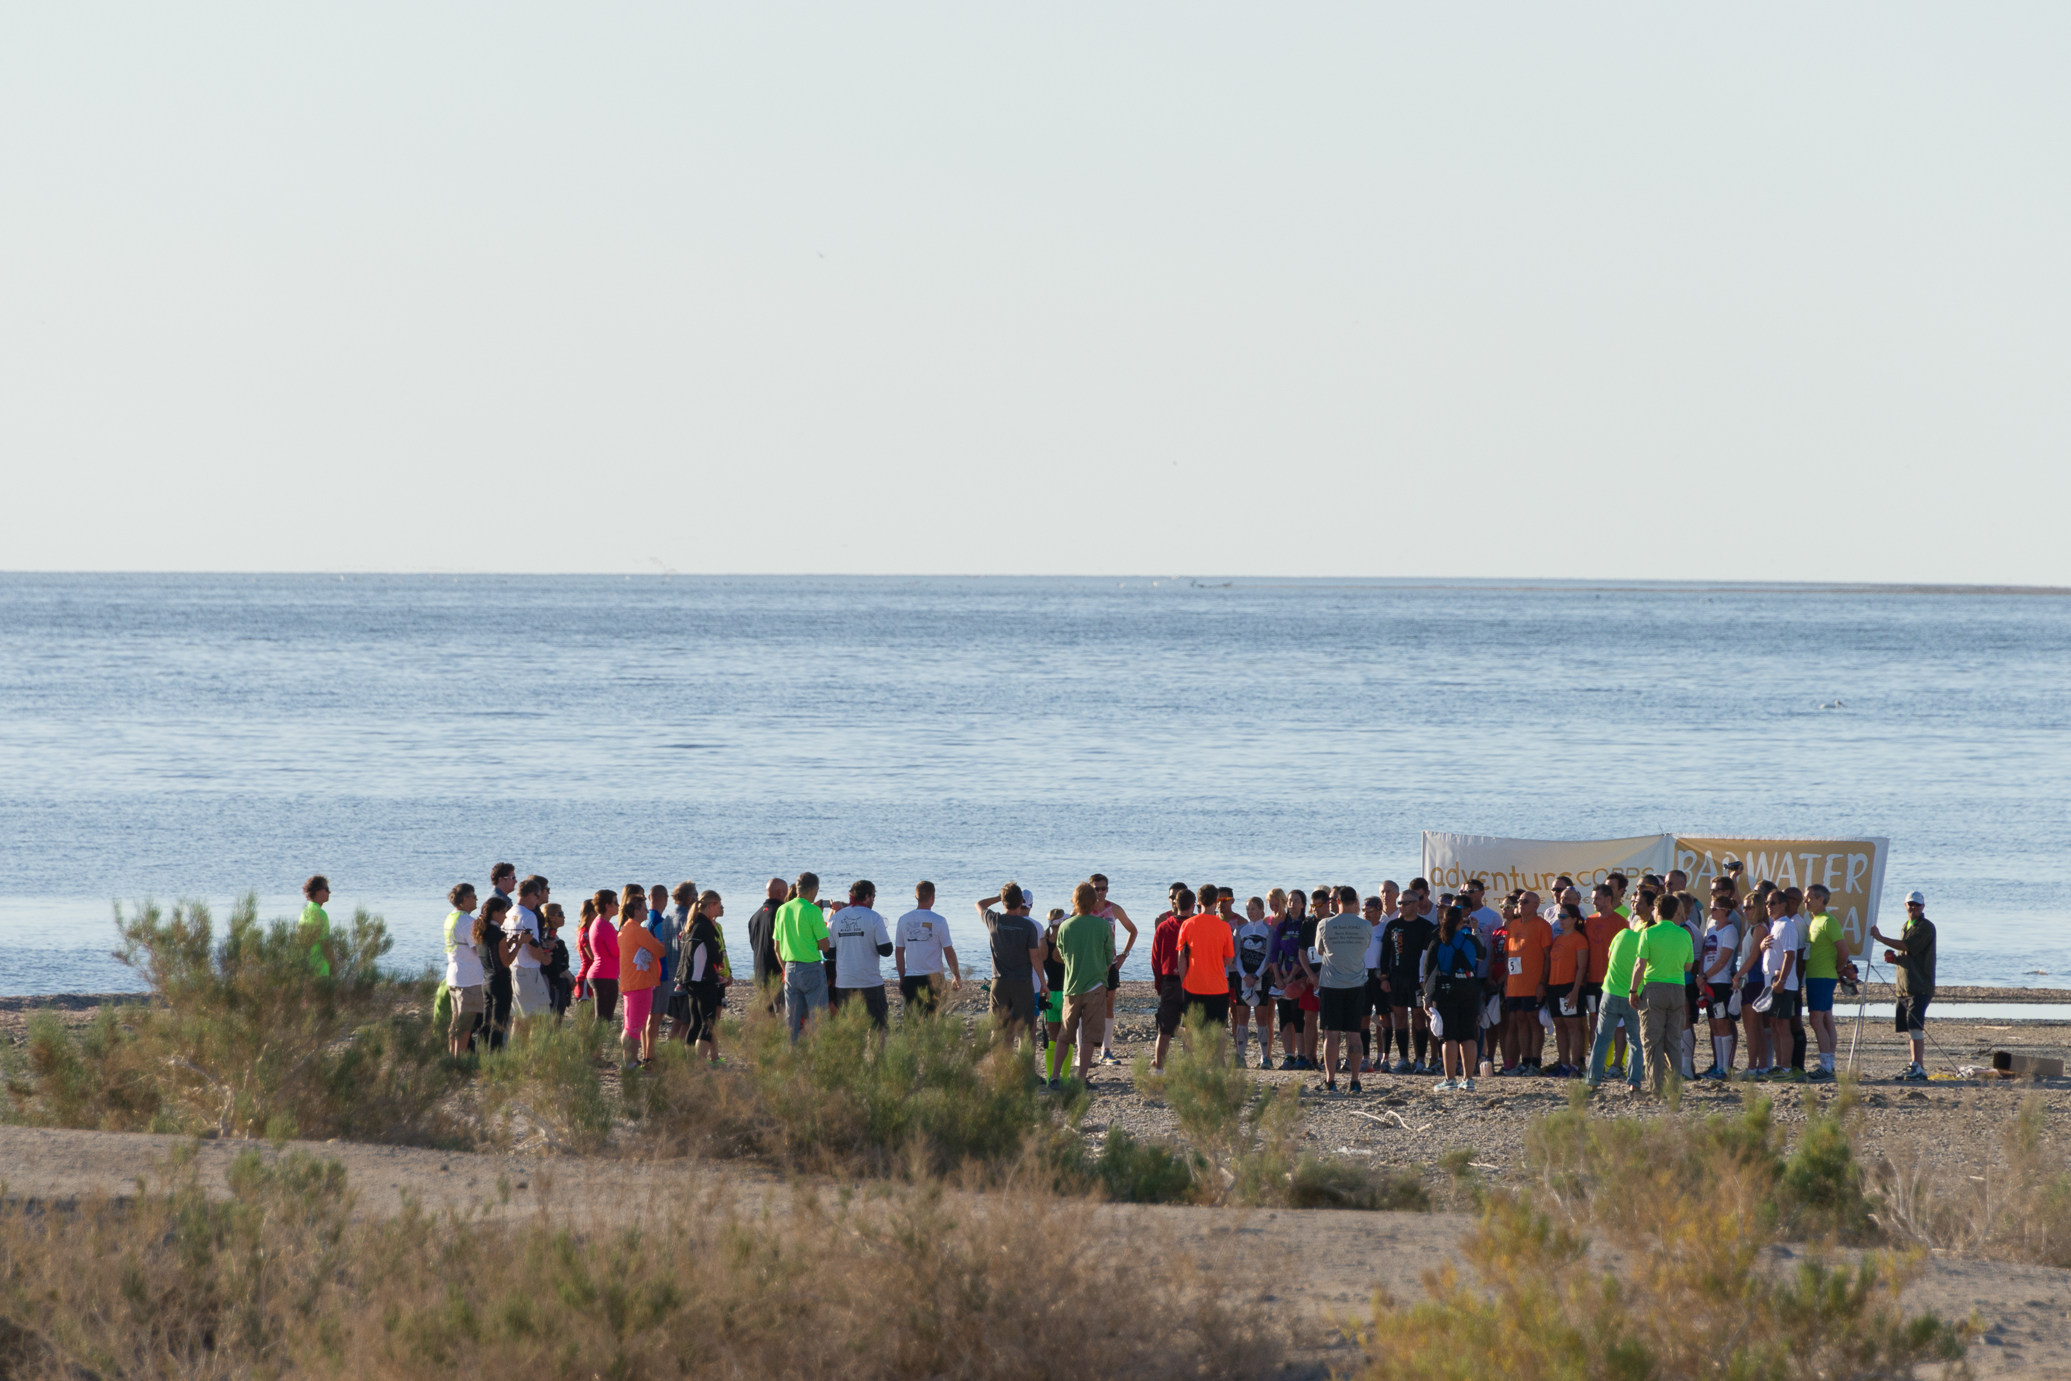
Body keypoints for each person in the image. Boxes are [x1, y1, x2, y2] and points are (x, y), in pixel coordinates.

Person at [1629, 895, 1695, 1097]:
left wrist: (1633, 990)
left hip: (1654, 988)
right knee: (1673, 1040)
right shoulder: (1685, 934)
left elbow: (1640, 965)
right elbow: (1688, 965)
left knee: (1652, 1040)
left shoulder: (1649, 933)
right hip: (1677, 989)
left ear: (1656, 910)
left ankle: (1657, 1088)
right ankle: (1674, 1087)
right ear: (1676, 911)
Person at [1872, 891, 1937, 1081]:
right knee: (1909, 1027)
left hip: (1920, 986)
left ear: (1923, 907)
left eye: (1917, 905)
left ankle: (1919, 1066)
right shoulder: (1905, 926)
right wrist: (1895, 960)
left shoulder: (1925, 927)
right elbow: (1908, 954)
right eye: (1910, 904)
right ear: (1905, 905)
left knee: (1915, 1026)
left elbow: (1907, 946)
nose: (1913, 907)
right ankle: (1914, 1064)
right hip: (1904, 987)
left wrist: (1880, 938)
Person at [1057, 882, 1117, 1087]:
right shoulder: (1102, 926)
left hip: (1071, 985)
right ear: (1093, 902)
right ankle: (1081, 1078)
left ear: (1074, 901)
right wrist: (1100, 971)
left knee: (1065, 1035)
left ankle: (1055, 1077)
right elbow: (1110, 956)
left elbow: (1063, 954)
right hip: (1095, 985)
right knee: (1090, 1036)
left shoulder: (1065, 925)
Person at [1314, 885, 1369, 1095]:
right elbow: (1364, 947)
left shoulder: (1325, 924)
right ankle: (1355, 1081)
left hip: (1332, 984)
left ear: (1337, 902)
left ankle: (1331, 1080)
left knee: (1331, 1034)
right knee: (1354, 1034)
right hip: (1355, 984)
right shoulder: (1365, 925)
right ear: (1355, 902)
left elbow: (1319, 950)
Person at [1586, 909, 1648, 1093]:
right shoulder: (1647, 942)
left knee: (1602, 1038)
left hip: (1610, 992)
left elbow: (1609, 955)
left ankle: (1593, 1080)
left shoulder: (1621, 934)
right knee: (1636, 1040)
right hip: (1634, 995)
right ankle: (1634, 1083)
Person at [976, 884, 1043, 1048]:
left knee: (999, 1030)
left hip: (1000, 982)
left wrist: (999, 898)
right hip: (1023, 983)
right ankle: (1025, 1071)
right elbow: (1035, 957)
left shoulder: (994, 920)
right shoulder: (1029, 926)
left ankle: (1000, 1072)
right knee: (1025, 1032)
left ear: (1003, 902)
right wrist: (1043, 983)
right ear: (1021, 902)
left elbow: (980, 904)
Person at [1175, 882, 1236, 1062]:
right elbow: (1229, 959)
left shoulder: (1187, 924)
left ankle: (1189, 1067)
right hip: (1217, 986)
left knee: (1191, 1030)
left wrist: (1183, 981)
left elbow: (1181, 958)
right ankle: (1218, 1066)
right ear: (1216, 901)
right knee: (1218, 1031)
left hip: (1193, 985)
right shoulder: (1224, 927)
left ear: (1198, 901)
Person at [1427, 905, 1482, 1093]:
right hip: (1470, 990)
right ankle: (1468, 1080)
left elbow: (1430, 973)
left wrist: (1427, 998)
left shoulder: (1438, 942)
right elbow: (1481, 956)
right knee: (1468, 1035)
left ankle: (1449, 1080)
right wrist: (1475, 931)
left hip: (1445, 992)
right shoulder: (1470, 940)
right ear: (1462, 921)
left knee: (1448, 1037)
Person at [774, 873, 833, 1041]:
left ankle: (789, 1058)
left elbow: (776, 947)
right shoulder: (812, 910)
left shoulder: (782, 909)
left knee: (790, 1020)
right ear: (813, 889)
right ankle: (815, 1060)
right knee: (818, 1019)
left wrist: (785, 968)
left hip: (790, 968)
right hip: (811, 967)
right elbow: (825, 945)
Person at [828, 881, 894, 1029]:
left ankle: (852, 1052)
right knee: (878, 1026)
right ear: (867, 896)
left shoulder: (835, 918)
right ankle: (875, 1053)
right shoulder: (874, 917)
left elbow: (829, 952)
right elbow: (887, 950)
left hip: (845, 982)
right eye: (873, 896)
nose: (874, 900)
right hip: (869, 981)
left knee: (849, 1026)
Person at [1384, 888, 1435, 1074]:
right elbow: (1386, 954)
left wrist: (1425, 981)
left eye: (1405, 903)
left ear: (1415, 904)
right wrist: (1384, 977)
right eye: (1400, 903)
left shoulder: (1426, 926)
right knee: (1399, 1018)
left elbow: (1428, 957)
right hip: (1396, 977)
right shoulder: (1393, 926)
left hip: (1417, 979)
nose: (1402, 907)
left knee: (1419, 1017)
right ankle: (1403, 1058)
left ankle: (1420, 1059)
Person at [1499, 889, 1550, 1075]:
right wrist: (1507, 980)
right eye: (1520, 901)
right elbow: (1508, 953)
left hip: (1533, 983)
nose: (1521, 903)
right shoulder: (1513, 926)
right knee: (1519, 1021)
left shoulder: (1542, 925)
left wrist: (1542, 983)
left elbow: (1547, 957)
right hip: (1515, 984)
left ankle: (1535, 1062)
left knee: (1534, 1021)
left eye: (1525, 901)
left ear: (1536, 906)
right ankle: (1525, 1060)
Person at [1090, 874, 1137, 1065]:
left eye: (1103, 888)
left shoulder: (1114, 909)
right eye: (1096, 889)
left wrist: (1124, 954)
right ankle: (1082, 1051)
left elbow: (1133, 930)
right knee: (1087, 1005)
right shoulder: (1083, 909)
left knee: (1108, 1005)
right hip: (1090, 964)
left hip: (1109, 963)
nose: (1100, 892)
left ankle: (1106, 1050)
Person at [895, 882, 960, 1016]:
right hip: (934, 979)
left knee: (913, 1024)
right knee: (936, 1024)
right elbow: (948, 951)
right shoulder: (939, 921)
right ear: (933, 897)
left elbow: (899, 952)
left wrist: (902, 978)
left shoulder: (903, 920)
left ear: (916, 896)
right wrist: (956, 975)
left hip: (911, 979)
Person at [1757, 891, 1803, 1081]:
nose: (1769, 906)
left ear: (1783, 904)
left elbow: (1789, 955)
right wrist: (1761, 946)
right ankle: (1779, 1065)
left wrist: (1782, 981)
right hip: (1772, 983)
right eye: (1767, 903)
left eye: (1773, 903)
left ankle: (1786, 1068)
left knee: (1783, 1025)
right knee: (1774, 1024)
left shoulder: (1787, 926)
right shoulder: (1774, 926)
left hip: (1784, 984)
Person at [617, 894, 665, 1068]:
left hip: (629, 982)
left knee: (629, 1025)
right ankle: (629, 1063)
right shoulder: (638, 931)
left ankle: (627, 1060)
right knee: (635, 1026)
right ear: (637, 911)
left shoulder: (625, 928)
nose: (647, 911)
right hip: (640, 982)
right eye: (644, 908)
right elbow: (659, 951)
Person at [1800, 883, 1842, 1081]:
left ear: (1821, 899)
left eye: (1809, 897)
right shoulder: (1814, 920)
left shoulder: (1828, 921)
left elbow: (1843, 950)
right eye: (1805, 897)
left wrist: (1839, 969)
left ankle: (1826, 1066)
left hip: (1823, 977)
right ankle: (1829, 1064)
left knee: (1816, 1019)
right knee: (1825, 1018)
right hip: (1815, 976)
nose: (1805, 900)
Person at [679, 890, 727, 1063]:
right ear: (711, 905)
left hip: (690, 978)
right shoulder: (706, 926)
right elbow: (715, 955)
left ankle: (689, 1061)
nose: (720, 909)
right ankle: (698, 1063)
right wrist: (721, 960)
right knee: (709, 1023)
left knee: (695, 1022)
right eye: (718, 906)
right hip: (704, 979)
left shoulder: (691, 925)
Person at [1148, 888, 1192, 1074]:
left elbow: (1155, 959)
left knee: (1164, 1030)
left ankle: (1159, 1068)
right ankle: (1187, 1070)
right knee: (1190, 1029)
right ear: (1193, 905)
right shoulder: (1194, 925)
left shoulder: (1163, 926)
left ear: (1175, 903)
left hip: (1168, 982)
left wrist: (1159, 984)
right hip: (1191, 982)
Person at [1698, 896, 1742, 1079]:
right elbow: (1704, 954)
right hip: (1708, 983)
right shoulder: (1710, 929)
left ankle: (1726, 1068)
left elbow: (1724, 959)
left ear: (1725, 910)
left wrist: (1706, 976)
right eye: (1711, 908)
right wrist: (1701, 977)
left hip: (1721, 982)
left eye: (1715, 908)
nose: (1712, 911)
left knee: (1724, 1025)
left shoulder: (1730, 930)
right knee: (1714, 1025)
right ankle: (1718, 1066)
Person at [1580, 884, 1622, 1069]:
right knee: (1594, 1019)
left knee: (1616, 1024)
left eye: (1597, 898)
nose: (1593, 902)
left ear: (1607, 899)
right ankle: (1597, 1063)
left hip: (1613, 982)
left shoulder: (1621, 922)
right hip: (1592, 981)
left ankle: (1616, 1063)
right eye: (1592, 898)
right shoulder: (1588, 921)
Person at [1271, 890, 1312, 1070]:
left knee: (1298, 1017)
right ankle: (1289, 1056)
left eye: (1296, 901)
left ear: (1303, 904)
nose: (1292, 904)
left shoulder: (1306, 924)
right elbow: (1273, 953)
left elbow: (1303, 954)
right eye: (1290, 901)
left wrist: (1291, 977)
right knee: (1284, 1017)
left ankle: (1302, 1055)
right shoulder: (1282, 926)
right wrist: (1278, 977)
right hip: (1282, 977)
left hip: (1298, 977)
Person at [1547, 902, 1589, 1076]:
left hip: (1569, 985)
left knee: (1573, 1026)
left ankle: (1575, 1066)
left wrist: (1575, 990)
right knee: (1560, 1026)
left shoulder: (1579, 939)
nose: (1560, 920)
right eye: (1559, 916)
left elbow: (1582, 967)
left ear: (1574, 919)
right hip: (1554, 986)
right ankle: (1563, 1065)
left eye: (1564, 917)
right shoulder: (1557, 939)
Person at [1231, 896, 1273, 1069]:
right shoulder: (1240, 930)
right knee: (1242, 1017)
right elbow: (1236, 956)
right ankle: (1240, 1057)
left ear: (1262, 909)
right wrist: (1243, 975)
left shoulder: (1269, 931)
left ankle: (1265, 1058)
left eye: (1254, 909)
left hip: (1261, 978)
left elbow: (1269, 957)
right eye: (1248, 909)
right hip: (1242, 978)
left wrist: (1256, 975)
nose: (1250, 912)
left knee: (1262, 1017)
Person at [444, 884, 485, 1056]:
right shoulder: (467, 921)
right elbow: (479, 949)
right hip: (469, 978)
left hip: (455, 975)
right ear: (465, 899)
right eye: (474, 896)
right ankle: (459, 1060)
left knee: (456, 1021)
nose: (476, 899)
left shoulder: (451, 918)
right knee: (466, 1023)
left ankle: (453, 1056)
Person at [507, 877, 554, 1021]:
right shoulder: (529, 915)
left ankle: (517, 1044)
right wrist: (545, 959)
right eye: (537, 896)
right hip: (528, 970)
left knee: (520, 1018)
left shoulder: (509, 913)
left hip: (514, 968)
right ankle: (528, 1044)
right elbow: (532, 946)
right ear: (530, 895)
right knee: (537, 1017)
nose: (537, 901)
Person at [745, 878, 788, 1013]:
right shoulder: (781, 913)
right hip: (777, 971)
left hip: (760, 971)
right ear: (781, 892)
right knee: (782, 1012)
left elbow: (754, 945)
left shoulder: (755, 916)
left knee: (767, 1016)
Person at [1039, 908, 1069, 1083]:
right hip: (1066, 995)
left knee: (1052, 1039)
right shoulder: (1066, 943)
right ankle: (1064, 1077)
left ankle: (1051, 1076)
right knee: (1066, 1039)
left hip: (1050, 993)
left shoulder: (1043, 942)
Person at [582, 890, 621, 1026]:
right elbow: (616, 951)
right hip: (604, 976)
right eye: (615, 902)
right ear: (607, 906)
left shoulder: (601, 923)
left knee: (604, 1019)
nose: (619, 905)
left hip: (605, 975)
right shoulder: (604, 925)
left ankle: (593, 1046)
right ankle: (590, 1047)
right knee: (602, 1020)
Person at [540, 901, 574, 1018]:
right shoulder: (550, 939)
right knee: (555, 1017)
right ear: (552, 917)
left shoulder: (546, 935)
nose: (563, 917)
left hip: (552, 981)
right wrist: (571, 978)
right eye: (561, 914)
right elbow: (559, 965)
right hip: (555, 982)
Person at [299, 874, 333, 978]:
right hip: (321, 970)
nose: (329, 892)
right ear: (318, 892)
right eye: (326, 889)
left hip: (308, 968)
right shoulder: (321, 913)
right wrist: (334, 966)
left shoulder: (305, 912)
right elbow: (325, 943)